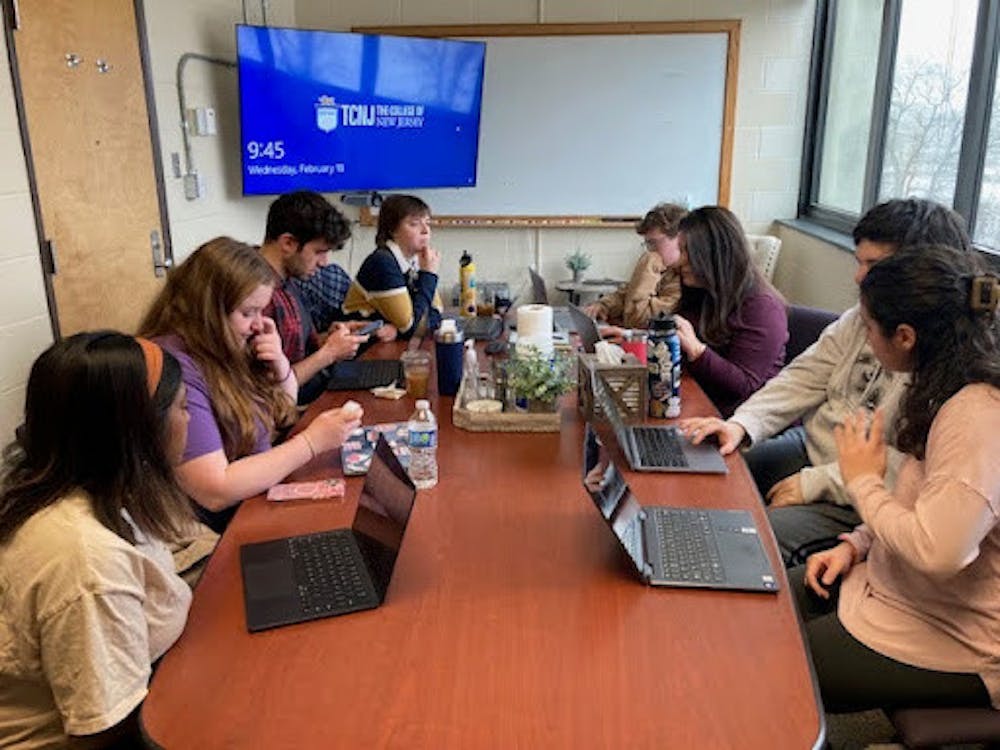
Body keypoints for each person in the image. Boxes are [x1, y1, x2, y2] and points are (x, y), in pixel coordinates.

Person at [680, 199, 971, 565]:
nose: (859, 277)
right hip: (816, 450)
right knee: (704, 471)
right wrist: (740, 425)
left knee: (743, 546)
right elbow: (802, 378)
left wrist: (815, 483)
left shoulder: (949, 366)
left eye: (874, 266)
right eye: (859, 262)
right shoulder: (857, 320)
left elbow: (903, 472)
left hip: (863, 494)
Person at [792, 245, 1000, 713]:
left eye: (868, 328)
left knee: (774, 668)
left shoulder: (976, 416)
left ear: (904, 336)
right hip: (895, 587)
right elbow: (920, 502)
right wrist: (856, 545)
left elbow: (938, 551)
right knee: (760, 604)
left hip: (957, 632)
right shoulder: (939, 382)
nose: (865, 340)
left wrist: (862, 482)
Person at [0, 332, 193, 748]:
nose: (190, 419)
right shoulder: (86, 560)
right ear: (140, 430)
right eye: (182, 407)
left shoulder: (89, 487)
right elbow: (104, 734)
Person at [140, 237, 362, 532]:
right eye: (248, 313)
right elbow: (215, 490)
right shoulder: (176, 366)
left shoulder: (223, 343)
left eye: (262, 311)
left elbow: (283, 411)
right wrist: (311, 443)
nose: (259, 324)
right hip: (217, 521)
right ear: (209, 311)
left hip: (251, 495)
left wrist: (280, 365)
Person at [259, 191, 391, 403]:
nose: (324, 263)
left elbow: (298, 350)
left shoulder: (289, 280)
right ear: (288, 243)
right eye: (319, 251)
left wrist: (328, 339)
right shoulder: (254, 296)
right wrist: (329, 353)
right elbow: (267, 387)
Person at [670, 205, 787, 418]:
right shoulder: (703, 293)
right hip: (702, 406)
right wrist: (634, 339)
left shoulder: (762, 307)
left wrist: (697, 350)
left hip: (744, 422)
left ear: (713, 255)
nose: (679, 261)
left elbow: (744, 386)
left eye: (687, 251)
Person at [342, 194, 444, 337]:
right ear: (392, 230)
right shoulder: (382, 263)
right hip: (360, 351)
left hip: (386, 346)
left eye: (427, 223)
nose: (425, 231)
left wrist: (400, 330)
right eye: (414, 224)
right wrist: (429, 275)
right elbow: (414, 328)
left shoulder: (413, 261)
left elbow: (437, 312)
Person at [582, 203, 686, 328]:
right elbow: (627, 293)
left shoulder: (685, 280)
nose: (650, 250)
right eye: (648, 244)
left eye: (654, 242)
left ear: (681, 239)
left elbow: (637, 320)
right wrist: (603, 305)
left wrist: (648, 263)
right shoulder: (666, 269)